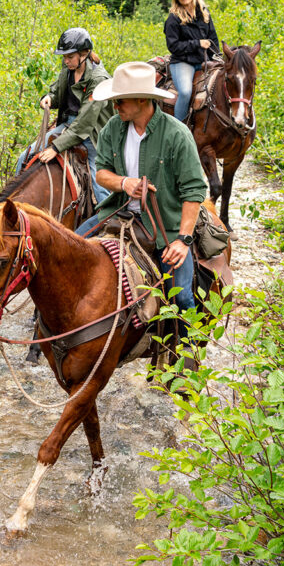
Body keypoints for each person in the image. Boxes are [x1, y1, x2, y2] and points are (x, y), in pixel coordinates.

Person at [76, 61, 208, 354]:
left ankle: (187, 356)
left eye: (120, 100)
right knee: (71, 248)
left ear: (141, 100)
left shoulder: (176, 134)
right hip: (118, 212)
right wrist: (124, 184)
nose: (115, 106)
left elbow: (194, 191)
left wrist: (183, 241)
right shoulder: (114, 127)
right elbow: (101, 173)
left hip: (165, 226)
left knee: (182, 297)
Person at [15, 27, 112, 204]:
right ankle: (12, 203)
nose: (66, 61)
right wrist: (49, 98)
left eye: (70, 57)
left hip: (93, 133)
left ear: (84, 53)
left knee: (99, 183)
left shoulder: (98, 79)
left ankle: (108, 219)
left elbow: (85, 123)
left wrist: (55, 147)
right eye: (64, 57)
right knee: (25, 156)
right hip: (67, 125)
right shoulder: (68, 69)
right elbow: (58, 93)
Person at [163, 0, 220, 123]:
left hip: (203, 61)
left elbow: (213, 39)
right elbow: (173, 46)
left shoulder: (204, 13)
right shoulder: (173, 19)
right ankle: (179, 128)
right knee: (186, 92)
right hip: (182, 62)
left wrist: (217, 57)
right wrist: (197, 43)